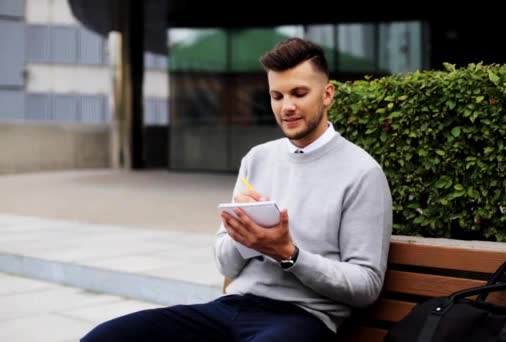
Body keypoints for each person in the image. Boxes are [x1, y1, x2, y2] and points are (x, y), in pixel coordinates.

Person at [81, 37, 393, 342]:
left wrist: (288, 254)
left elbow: (366, 285)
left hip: (305, 317)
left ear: (327, 95)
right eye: (277, 96)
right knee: (106, 337)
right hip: (232, 308)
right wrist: (245, 239)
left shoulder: (362, 173)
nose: (287, 107)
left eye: (299, 93)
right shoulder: (258, 158)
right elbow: (225, 263)